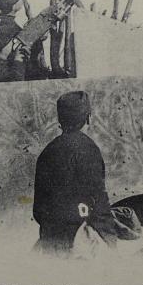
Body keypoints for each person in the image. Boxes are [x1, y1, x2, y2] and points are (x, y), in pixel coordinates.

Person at [32, 91, 117, 255]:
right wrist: (110, 240)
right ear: (88, 118)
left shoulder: (47, 152)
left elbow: (38, 209)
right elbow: (98, 201)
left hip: (51, 240)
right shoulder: (89, 149)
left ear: (60, 121)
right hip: (80, 243)